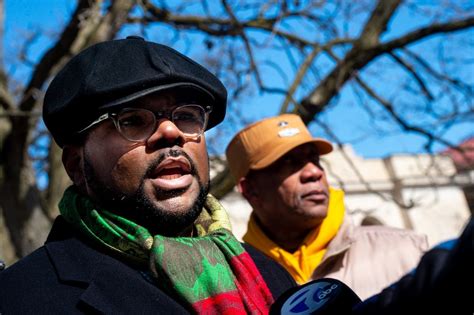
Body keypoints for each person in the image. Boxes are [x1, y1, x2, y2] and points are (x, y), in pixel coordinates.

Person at [0, 36, 295, 314]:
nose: (171, 132)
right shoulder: (20, 298)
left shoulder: (268, 275)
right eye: (132, 120)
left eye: (187, 116)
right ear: (77, 165)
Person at [225, 114, 428, 300]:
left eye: (314, 159)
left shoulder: (407, 251)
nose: (313, 172)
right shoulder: (235, 289)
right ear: (251, 190)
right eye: (289, 162)